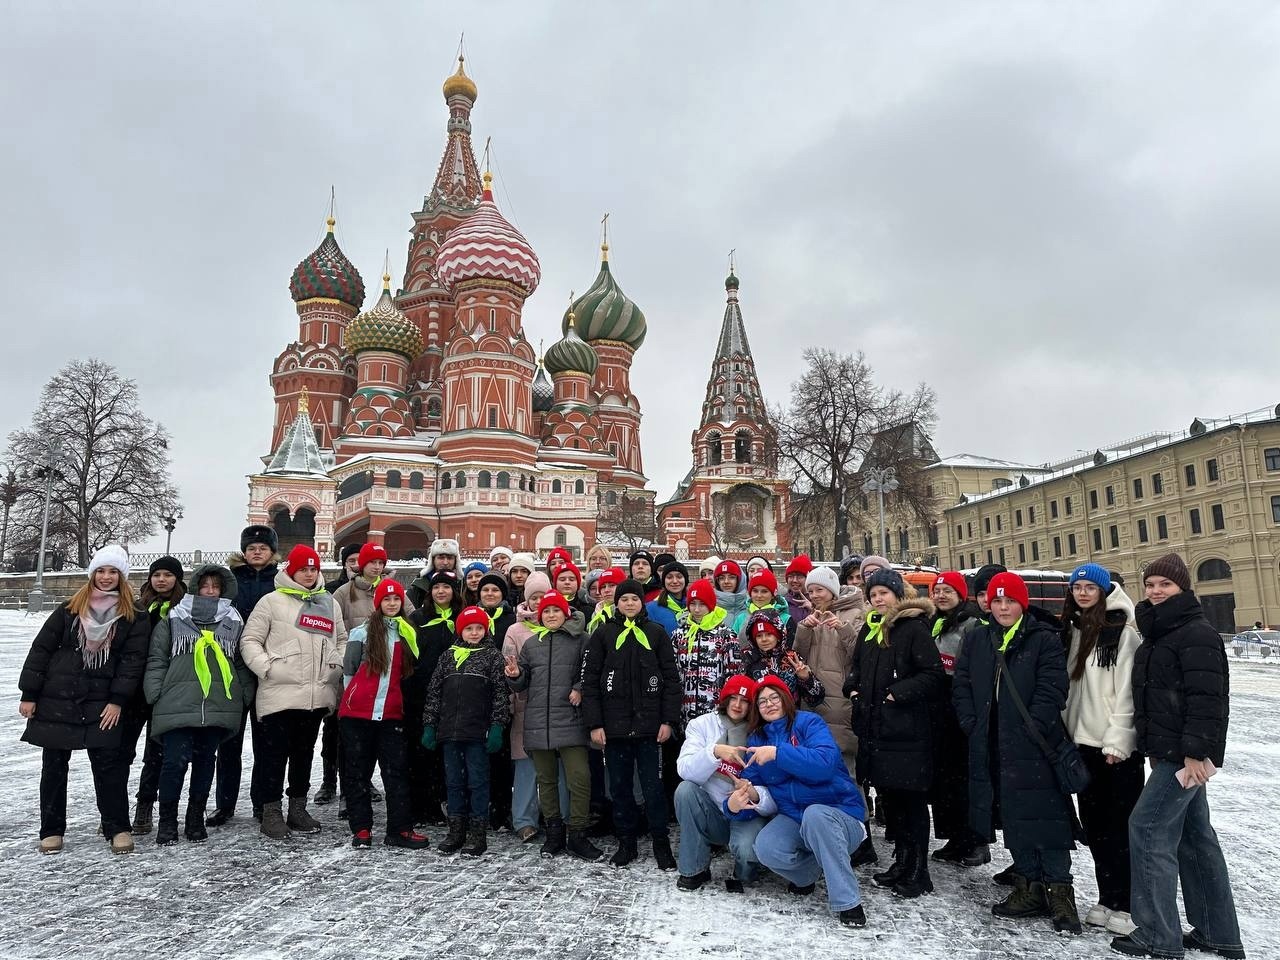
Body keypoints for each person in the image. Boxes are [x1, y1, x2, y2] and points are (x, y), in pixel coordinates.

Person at [1111, 554, 1244, 960]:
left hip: (1181, 756)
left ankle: (1157, 935)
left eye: (1164, 585)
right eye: (1150, 584)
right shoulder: (1163, 631)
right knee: (1195, 839)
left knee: (1147, 830)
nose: (1154, 591)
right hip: (1170, 751)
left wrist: (1196, 754)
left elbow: (1207, 700)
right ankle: (1216, 933)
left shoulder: (1194, 633)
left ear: (1182, 589)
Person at [953, 572, 1082, 934]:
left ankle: (1060, 892)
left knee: (1047, 818)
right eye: (997, 601)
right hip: (990, 743)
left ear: (1022, 604)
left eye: (1010, 601)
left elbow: (1053, 687)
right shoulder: (979, 637)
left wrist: (1032, 727)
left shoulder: (1042, 638)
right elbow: (962, 683)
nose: (1003, 607)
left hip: (1031, 745)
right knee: (1011, 815)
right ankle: (1028, 886)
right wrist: (971, 722)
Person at [18, 545, 149, 855]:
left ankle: (117, 827)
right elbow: (41, 651)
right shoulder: (69, 610)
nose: (106, 577)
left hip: (102, 702)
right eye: (101, 571)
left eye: (113, 572)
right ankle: (51, 830)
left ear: (122, 577)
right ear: (92, 575)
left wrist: (118, 700)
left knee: (109, 767)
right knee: (53, 768)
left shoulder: (133, 617)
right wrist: (29, 693)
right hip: (57, 697)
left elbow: (133, 662)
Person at [732, 677, 869, 928]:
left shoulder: (809, 722)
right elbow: (750, 783)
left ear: (786, 699)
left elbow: (825, 764)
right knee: (766, 847)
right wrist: (740, 795)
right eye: (762, 701)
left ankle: (848, 902)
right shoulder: (757, 739)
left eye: (774, 697)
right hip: (795, 817)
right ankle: (807, 875)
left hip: (838, 814)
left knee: (816, 815)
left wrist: (778, 753)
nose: (769, 704)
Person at [843, 568, 944, 899]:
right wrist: (853, 689)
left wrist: (896, 693)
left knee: (912, 803)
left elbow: (932, 675)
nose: (877, 599)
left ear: (898, 595)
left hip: (906, 732)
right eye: (873, 595)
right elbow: (856, 667)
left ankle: (918, 870)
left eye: (883, 593)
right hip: (876, 731)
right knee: (893, 802)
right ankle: (901, 862)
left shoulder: (913, 627)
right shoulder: (871, 630)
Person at [1058, 563, 1143, 937]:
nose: (1083, 593)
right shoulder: (1076, 630)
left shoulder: (1122, 633)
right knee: (1095, 828)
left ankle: (1127, 903)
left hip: (1114, 749)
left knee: (1120, 827)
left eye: (1090, 587)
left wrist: (1119, 740)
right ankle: (1107, 896)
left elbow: (1127, 693)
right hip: (1083, 744)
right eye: (1078, 587)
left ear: (1105, 591)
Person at [240, 544, 346, 840]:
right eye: (303, 569)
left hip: (316, 694)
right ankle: (270, 811)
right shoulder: (271, 602)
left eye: (313, 569)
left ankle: (297, 808)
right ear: (291, 571)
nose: (309, 574)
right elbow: (250, 640)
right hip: (279, 693)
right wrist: (267, 668)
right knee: (273, 756)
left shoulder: (328, 602)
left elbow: (341, 639)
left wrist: (335, 666)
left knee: (303, 754)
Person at [144, 564, 252, 845]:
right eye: (205, 586)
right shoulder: (175, 617)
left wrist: (244, 695)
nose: (211, 591)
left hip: (217, 703)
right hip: (176, 701)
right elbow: (158, 658)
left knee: (206, 763)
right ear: (196, 588)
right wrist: (155, 694)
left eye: (216, 587)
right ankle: (167, 820)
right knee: (173, 763)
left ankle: (195, 817)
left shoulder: (234, 621)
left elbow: (239, 662)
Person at [582, 578, 682, 869]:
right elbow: (590, 682)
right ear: (617, 603)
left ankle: (661, 843)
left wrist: (668, 720)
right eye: (624, 599)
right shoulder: (603, 634)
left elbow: (670, 680)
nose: (628, 604)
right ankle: (626, 843)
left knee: (653, 788)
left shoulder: (656, 633)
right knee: (621, 788)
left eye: (634, 599)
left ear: (642, 603)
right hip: (614, 729)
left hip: (650, 727)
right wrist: (595, 724)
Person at [504, 592, 602, 862]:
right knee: (546, 781)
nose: (550, 616)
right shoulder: (533, 644)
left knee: (579, 779)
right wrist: (515, 675)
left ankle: (578, 834)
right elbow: (522, 681)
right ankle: (554, 833)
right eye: (546, 612)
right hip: (538, 723)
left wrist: (579, 688)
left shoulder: (581, 639)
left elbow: (591, 671)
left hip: (571, 721)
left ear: (565, 614)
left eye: (555, 611)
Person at [338, 578, 430, 850]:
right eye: (387, 599)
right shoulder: (361, 633)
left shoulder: (407, 632)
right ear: (379, 603)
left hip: (391, 715)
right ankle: (362, 828)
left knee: (396, 774)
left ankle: (399, 829)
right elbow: (349, 672)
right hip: (358, 715)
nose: (392, 604)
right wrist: (353, 701)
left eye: (396, 599)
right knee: (357, 774)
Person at [421, 605, 510, 857]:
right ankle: (456, 830)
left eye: (479, 628)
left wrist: (496, 726)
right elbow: (434, 693)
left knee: (478, 782)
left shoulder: (493, 656)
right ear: (461, 630)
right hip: (450, 731)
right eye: (469, 628)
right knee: (454, 782)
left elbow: (500, 695)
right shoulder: (447, 656)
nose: (474, 632)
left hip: (477, 732)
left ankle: (477, 833)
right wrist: (430, 725)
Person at [208, 524, 280, 828]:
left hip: (267, 667)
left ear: (271, 552)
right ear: (244, 551)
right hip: (233, 666)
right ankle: (224, 804)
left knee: (266, 741)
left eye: (262, 548)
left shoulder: (280, 580)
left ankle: (263, 802)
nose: (257, 552)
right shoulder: (230, 579)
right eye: (251, 548)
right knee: (229, 740)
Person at [674, 674, 768, 892]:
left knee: (746, 856)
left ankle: (746, 868)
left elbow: (773, 784)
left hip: (747, 813)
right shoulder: (702, 724)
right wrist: (714, 752)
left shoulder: (759, 731)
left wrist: (751, 791)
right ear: (724, 699)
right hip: (714, 812)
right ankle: (694, 869)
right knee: (685, 791)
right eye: (733, 698)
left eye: (744, 701)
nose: (737, 705)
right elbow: (685, 769)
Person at [926, 571, 988, 867]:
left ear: (961, 595)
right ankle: (954, 836)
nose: (941, 595)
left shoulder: (971, 623)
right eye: (937, 591)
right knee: (946, 778)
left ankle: (975, 840)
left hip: (959, 702)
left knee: (964, 777)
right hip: (937, 704)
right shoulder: (934, 622)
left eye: (948, 591)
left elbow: (969, 667)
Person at [125, 556, 187, 835]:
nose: (161, 580)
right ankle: (113, 808)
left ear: (177, 579)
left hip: (166, 688)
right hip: (132, 688)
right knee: (121, 751)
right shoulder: (137, 608)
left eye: (168, 575)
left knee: (156, 752)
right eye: (157, 575)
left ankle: (145, 805)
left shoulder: (184, 609)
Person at [501, 571, 557, 842]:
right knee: (525, 767)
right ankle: (523, 819)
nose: (538, 602)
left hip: (555, 708)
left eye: (542, 596)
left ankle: (553, 815)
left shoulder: (559, 624)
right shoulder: (515, 630)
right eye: (533, 597)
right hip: (526, 704)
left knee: (553, 767)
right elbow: (509, 666)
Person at [405, 570, 461, 826]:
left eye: (446, 588)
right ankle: (420, 805)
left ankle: (441, 802)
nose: (441, 592)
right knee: (421, 752)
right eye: (437, 587)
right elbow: (409, 657)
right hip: (422, 694)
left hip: (456, 696)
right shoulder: (417, 618)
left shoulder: (463, 618)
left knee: (445, 754)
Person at [794, 565, 861, 773]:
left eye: (819, 590)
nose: (814, 595)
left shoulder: (855, 613)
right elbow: (798, 657)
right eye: (810, 591)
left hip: (840, 702)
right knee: (816, 769)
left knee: (846, 771)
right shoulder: (813, 615)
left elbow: (859, 655)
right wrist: (804, 629)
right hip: (814, 700)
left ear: (832, 589)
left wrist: (843, 629)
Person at [476, 570, 517, 830]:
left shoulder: (511, 621)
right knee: (479, 757)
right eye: (486, 590)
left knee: (503, 755)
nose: (490, 594)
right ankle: (483, 807)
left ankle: (503, 808)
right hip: (476, 697)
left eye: (495, 590)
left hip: (506, 695)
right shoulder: (470, 619)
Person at [670, 578, 740, 728]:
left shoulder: (726, 634)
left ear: (711, 606)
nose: (696, 609)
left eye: (702, 604)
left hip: (715, 714)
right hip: (685, 713)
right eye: (693, 604)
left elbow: (733, 675)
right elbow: (672, 673)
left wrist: (727, 707)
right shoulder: (679, 634)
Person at [739, 611, 824, 707]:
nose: (764, 639)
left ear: (779, 635)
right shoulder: (747, 658)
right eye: (759, 636)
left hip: (789, 718)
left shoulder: (792, 658)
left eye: (769, 634)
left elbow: (816, 699)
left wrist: (806, 678)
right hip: (758, 719)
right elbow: (740, 696)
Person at [730, 568, 794, 642]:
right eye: (755, 591)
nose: (759, 595)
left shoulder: (785, 619)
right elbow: (733, 644)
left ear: (773, 594)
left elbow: (792, 648)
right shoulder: (741, 618)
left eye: (764, 591)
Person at [645, 559, 689, 636]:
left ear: (685, 580)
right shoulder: (650, 608)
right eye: (669, 577)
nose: (675, 581)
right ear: (664, 581)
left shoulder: (694, 606)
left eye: (679, 577)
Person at [783, 554, 814, 622]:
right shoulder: (782, 603)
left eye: (799, 577)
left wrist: (813, 609)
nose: (794, 580)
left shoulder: (817, 601)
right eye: (791, 576)